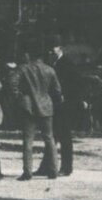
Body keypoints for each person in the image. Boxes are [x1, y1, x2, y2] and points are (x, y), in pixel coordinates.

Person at [10, 47, 63, 181]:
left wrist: (20, 97)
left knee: (28, 141)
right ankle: (53, 170)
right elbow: (57, 90)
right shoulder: (50, 70)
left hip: (29, 108)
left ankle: (27, 172)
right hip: (46, 107)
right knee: (49, 139)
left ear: (30, 55)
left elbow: (12, 83)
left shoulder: (23, 68)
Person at [51, 41, 82, 177]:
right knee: (52, 137)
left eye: (53, 48)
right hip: (56, 105)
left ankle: (66, 167)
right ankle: (48, 166)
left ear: (60, 48)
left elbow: (75, 84)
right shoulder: (54, 62)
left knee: (64, 138)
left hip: (65, 105)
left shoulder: (68, 64)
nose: (51, 51)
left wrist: (67, 97)